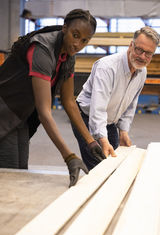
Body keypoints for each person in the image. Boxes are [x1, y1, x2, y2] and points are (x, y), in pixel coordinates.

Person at [0, 9, 105, 187]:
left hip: (21, 116)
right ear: (65, 28)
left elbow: (69, 101)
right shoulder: (42, 49)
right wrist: (69, 156)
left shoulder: (68, 56)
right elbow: (44, 111)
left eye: (85, 41)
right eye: (75, 35)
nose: (77, 44)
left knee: (20, 170)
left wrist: (90, 141)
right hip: (4, 112)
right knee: (10, 173)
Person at [72, 26, 160, 170]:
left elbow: (131, 103)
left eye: (148, 54)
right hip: (85, 118)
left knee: (115, 165)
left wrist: (123, 131)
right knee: (99, 169)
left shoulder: (142, 71)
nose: (142, 57)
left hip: (110, 121)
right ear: (131, 45)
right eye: (139, 50)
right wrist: (102, 139)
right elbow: (98, 108)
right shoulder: (107, 68)